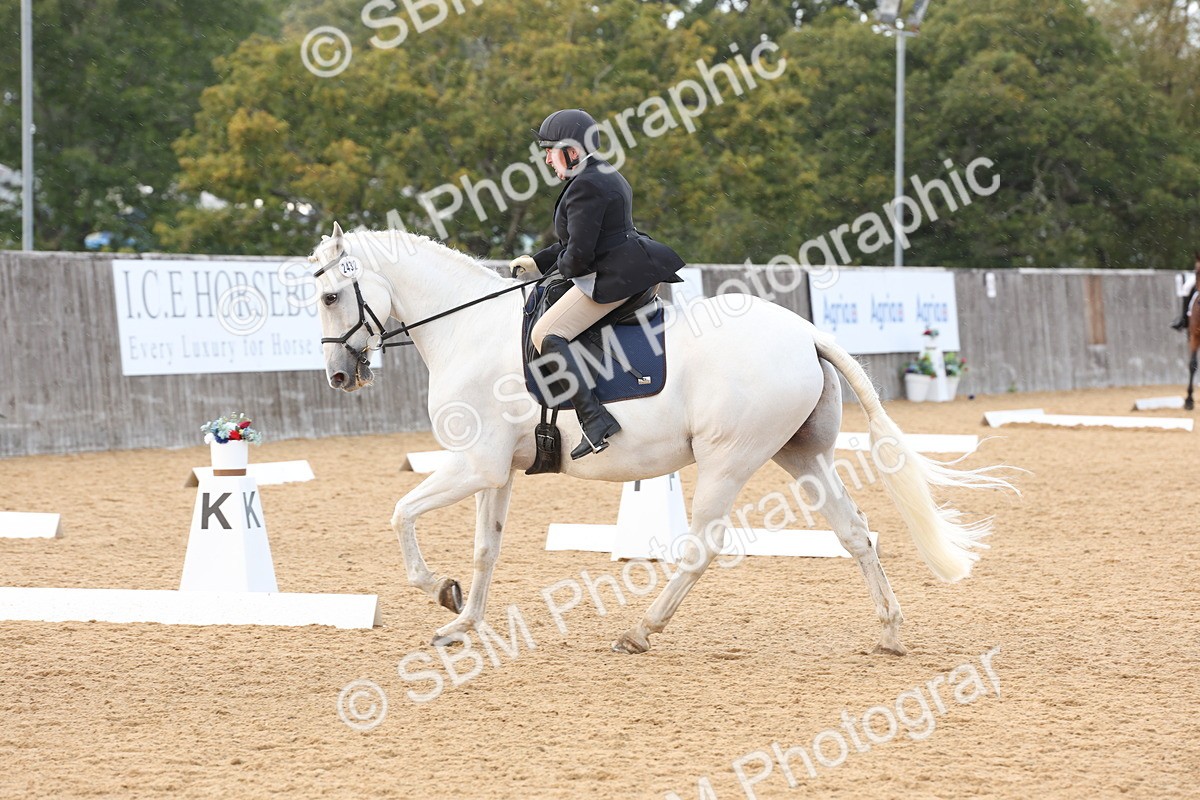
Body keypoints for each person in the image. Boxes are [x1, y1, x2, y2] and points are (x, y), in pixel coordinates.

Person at [509, 109, 685, 460]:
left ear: (572, 151)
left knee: (546, 333)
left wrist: (555, 272)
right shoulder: (601, 173)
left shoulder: (586, 185)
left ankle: (594, 419)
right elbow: (580, 240)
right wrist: (539, 261)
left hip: (614, 277)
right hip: (630, 264)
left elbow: (578, 258)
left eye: (550, 151)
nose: (547, 159)